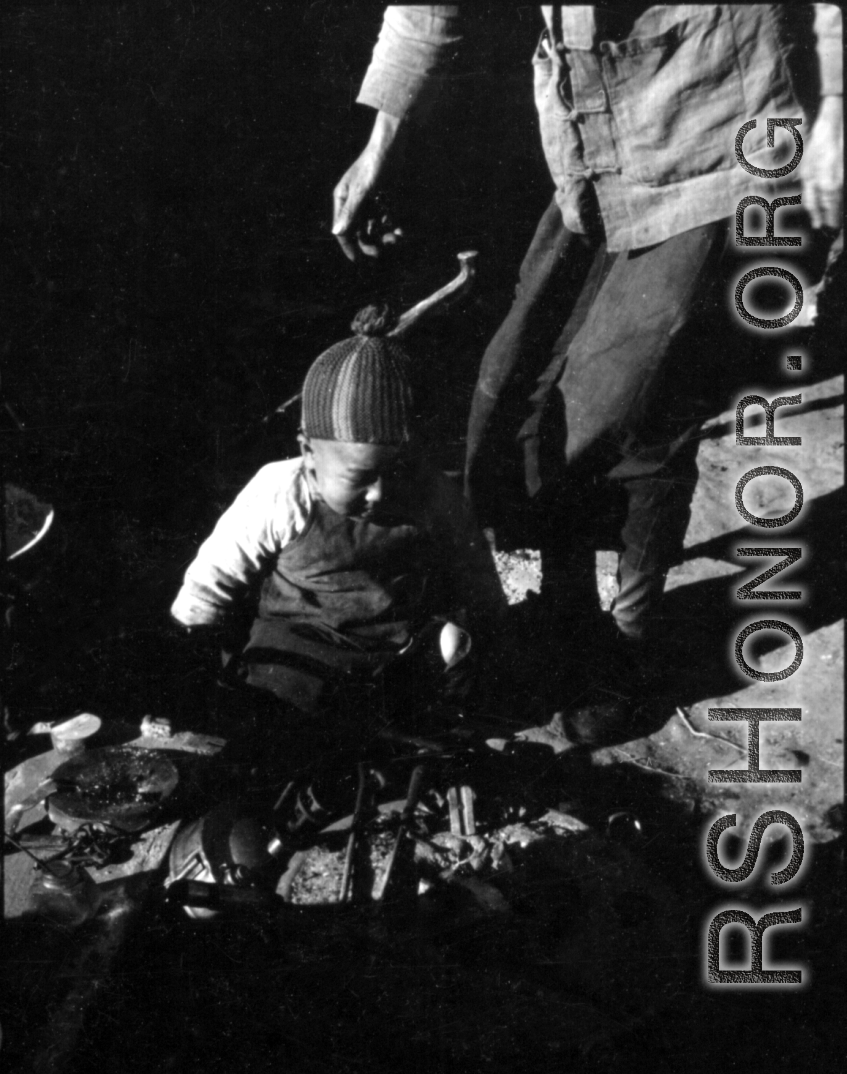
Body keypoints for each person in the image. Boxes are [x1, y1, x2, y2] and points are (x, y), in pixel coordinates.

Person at [331, 5, 843, 739]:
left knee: (634, 412)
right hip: (595, 151)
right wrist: (380, 141)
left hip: (718, 139)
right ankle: (567, 618)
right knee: (524, 401)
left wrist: (835, 114)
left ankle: (626, 651)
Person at [171, 306, 507, 766]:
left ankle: (387, 732)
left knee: (452, 662)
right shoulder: (282, 491)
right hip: (301, 639)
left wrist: (480, 629)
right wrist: (196, 640)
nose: (380, 493)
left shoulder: (432, 494)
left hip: (394, 641)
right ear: (309, 452)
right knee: (279, 711)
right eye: (360, 478)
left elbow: (474, 568)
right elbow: (213, 575)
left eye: (399, 472)